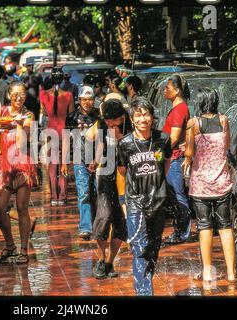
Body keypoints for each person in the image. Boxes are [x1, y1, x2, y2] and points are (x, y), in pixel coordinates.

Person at [117, 97, 171, 296]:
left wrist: (158, 182)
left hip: (158, 201)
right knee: (139, 249)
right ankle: (145, 292)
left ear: (152, 117)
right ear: (132, 119)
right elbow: (121, 173)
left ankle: (144, 284)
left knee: (153, 249)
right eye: (138, 115)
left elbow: (167, 161)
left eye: (146, 114)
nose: (142, 119)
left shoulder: (163, 139)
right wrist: (124, 202)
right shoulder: (125, 144)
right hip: (135, 203)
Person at [182, 88, 236, 284]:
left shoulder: (193, 123)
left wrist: (188, 153)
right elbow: (226, 145)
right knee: (225, 225)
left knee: (204, 226)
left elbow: (188, 153)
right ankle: (231, 273)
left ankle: (207, 271)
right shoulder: (224, 120)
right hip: (222, 182)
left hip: (201, 185)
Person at [0, 81, 37, 264]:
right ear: (9, 94)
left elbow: (22, 141)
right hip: (4, 166)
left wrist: (17, 124)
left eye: (22, 93)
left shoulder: (28, 115)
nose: (19, 97)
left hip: (22, 165)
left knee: (21, 208)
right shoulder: (1, 112)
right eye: (15, 94)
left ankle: (24, 249)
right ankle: (10, 245)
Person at [86, 99, 133, 279]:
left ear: (122, 117)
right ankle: (101, 258)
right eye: (106, 120)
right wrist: (95, 161)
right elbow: (101, 144)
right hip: (106, 174)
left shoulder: (131, 125)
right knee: (103, 217)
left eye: (112, 120)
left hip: (127, 177)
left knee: (120, 221)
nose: (108, 123)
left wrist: (120, 138)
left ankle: (109, 263)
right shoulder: (103, 124)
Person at [62, 86, 100, 240]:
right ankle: (85, 227)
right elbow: (66, 139)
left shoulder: (99, 116)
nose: (87, 102)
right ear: (79, 100)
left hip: (100, 161)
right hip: (79, 160)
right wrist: (64, 162)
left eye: (90, 99)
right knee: (83, 192)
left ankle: (99, 223)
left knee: (98, 192)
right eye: (84, 99)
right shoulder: (72, 117)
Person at [162, 75, 192, 244]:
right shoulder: (179, 108)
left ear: (177, 90)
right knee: (175, 195)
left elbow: (173, 138)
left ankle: (183, 232)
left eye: (168, 88)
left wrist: (159, 152)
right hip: (172, 158)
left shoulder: (180, 109)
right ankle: (180, 231)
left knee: (178, 195)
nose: (165, 90)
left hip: (174, 159)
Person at [40, 67, 74, 206]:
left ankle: (54, 196)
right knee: (64, 165)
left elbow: (44, 114)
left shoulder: (43, 95)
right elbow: (71, 114)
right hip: (64, 131)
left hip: (50, 132)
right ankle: (63, 196)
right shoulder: (68, 95)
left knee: (52, 166)